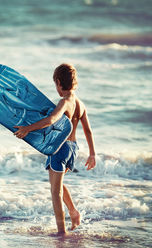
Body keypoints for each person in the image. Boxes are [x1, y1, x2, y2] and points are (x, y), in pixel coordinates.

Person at [13, 63, 96, 235]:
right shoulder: (80, 104)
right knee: (56, 184)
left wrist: (28, 129)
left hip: (59, 147)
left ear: (59, 82)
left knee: (55, 192)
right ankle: (73, 212)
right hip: (73, 147)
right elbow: (87, 130)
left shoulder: (64, 102)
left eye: (55, 85)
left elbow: (51, 119)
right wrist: (92, 153)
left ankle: (61, 231)